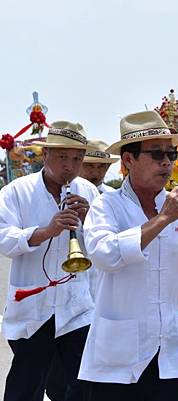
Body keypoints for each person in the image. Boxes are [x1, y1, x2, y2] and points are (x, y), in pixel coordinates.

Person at [79, 110, 178, 400]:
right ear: (128, 160)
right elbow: (105, 255)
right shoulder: (106, 205)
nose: (167, 162)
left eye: (171, 153)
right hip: (118, 358)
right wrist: (163, 219)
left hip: (169, 352)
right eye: (156, 154)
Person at [0, 121, 98, 401]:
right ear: (45, 156)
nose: (70, 166)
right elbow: (4, 239)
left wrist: (89, 219)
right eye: (62, 157)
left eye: (77, 159)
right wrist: (47, 231)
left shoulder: (89, 193)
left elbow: (103, 247)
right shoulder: (16, 192)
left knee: (83, 384)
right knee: (25, 387)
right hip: (34, 307)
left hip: (76, 306)